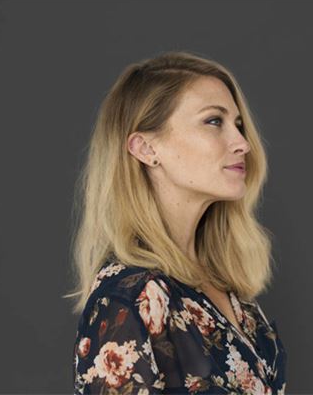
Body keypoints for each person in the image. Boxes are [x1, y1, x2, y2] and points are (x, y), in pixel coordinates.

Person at [64, 50, 287, 394]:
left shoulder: (228, 290)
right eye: (214, 121)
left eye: (238, 125)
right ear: (146, 149)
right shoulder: (129, 299)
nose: (242, 143)